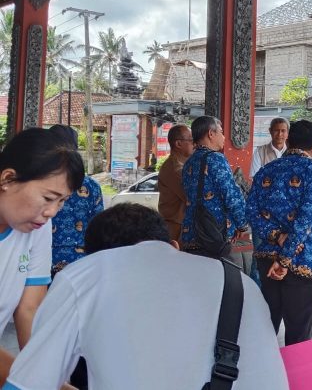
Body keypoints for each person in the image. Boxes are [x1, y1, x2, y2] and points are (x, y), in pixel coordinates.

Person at [3, 203, 289, 390]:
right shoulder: (240, 284)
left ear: (95, 257)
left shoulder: (85, 276)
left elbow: (27, 385)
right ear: (173, 245)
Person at [0, 128, 84, 386]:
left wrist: (50, 377)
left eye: (61, 201)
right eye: (48, 198)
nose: (52, 212)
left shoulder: (36, 226)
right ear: (8, 179)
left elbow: (30, 308)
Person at [247, 120, 312, 346]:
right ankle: (295, 370)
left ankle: (262, 367)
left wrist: (274, 235)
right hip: (301, 261)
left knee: (265, 329)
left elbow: (250, 211)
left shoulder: (267, 169)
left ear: (289, 140)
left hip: (266, 258)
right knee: (299, 336)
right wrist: (284, 260)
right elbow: (306, 218)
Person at [180, 116, 247, 260]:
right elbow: (231, 195)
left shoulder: (189, 162)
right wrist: (242, 224)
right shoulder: (216, 159)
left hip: (190, 232)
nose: (224, 137)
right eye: (221, 132)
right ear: (211, 133)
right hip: (213, 234)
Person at [48, 125, 104, 275]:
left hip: (46, 257)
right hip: (82, 260)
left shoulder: (42, 180)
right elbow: (99, 227)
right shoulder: (92, 186)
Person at [157, 124, 194, 242]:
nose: (195, 144)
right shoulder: (174, 168)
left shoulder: (184, 165)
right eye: (191, 140)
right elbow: (193, 195)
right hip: (175, 229)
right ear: (178, 144)